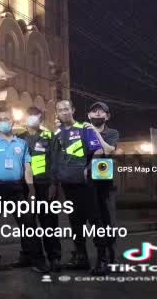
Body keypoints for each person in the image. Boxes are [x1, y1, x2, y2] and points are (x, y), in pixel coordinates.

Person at [0, 107, 49, 273]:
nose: (4, 122)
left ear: (12, 121)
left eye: (7, 118)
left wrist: (31, 189)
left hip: (16, 189)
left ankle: (38, 260)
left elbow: (27, 167)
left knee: (28, 224)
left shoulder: (22, 143)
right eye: (1, 119)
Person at [51, 100, 107, 275]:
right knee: (76, 222)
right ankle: (81, 259)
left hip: (86, 184)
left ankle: (102, 260)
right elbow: (55, 159)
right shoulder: (57, 133)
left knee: (95, 220)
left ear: (72, 110)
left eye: (67, 109)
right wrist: (55, 182)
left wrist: (89, 168)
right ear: (57, 114)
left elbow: (98, 151)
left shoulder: (85, 128)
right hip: (68, 185)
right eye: (60, 110)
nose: (64, 112)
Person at [17, 106, 61, 272]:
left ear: (41, 119)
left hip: (45, 185)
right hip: (25, 186)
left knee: (49, 222)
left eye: (36, 116)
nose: (33, 119)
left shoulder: (49, 137)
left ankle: (54, 257)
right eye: (30, 116)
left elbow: (55, 161)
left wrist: (53, 184)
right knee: (27, 223)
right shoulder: (19, 139)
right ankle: (28, 256)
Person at [87, 101, 120, 263]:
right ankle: (101, 252)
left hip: (105, 181)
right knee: (95, 219)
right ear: (89, 115)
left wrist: (94, 132)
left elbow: (107, 149)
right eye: (94, 111)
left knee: (108, 219)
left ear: (107, 116)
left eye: (101, 112)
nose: (97, 114)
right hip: (88, 181)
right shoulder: (83, 133)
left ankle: (110, 250)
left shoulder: (112, 133)